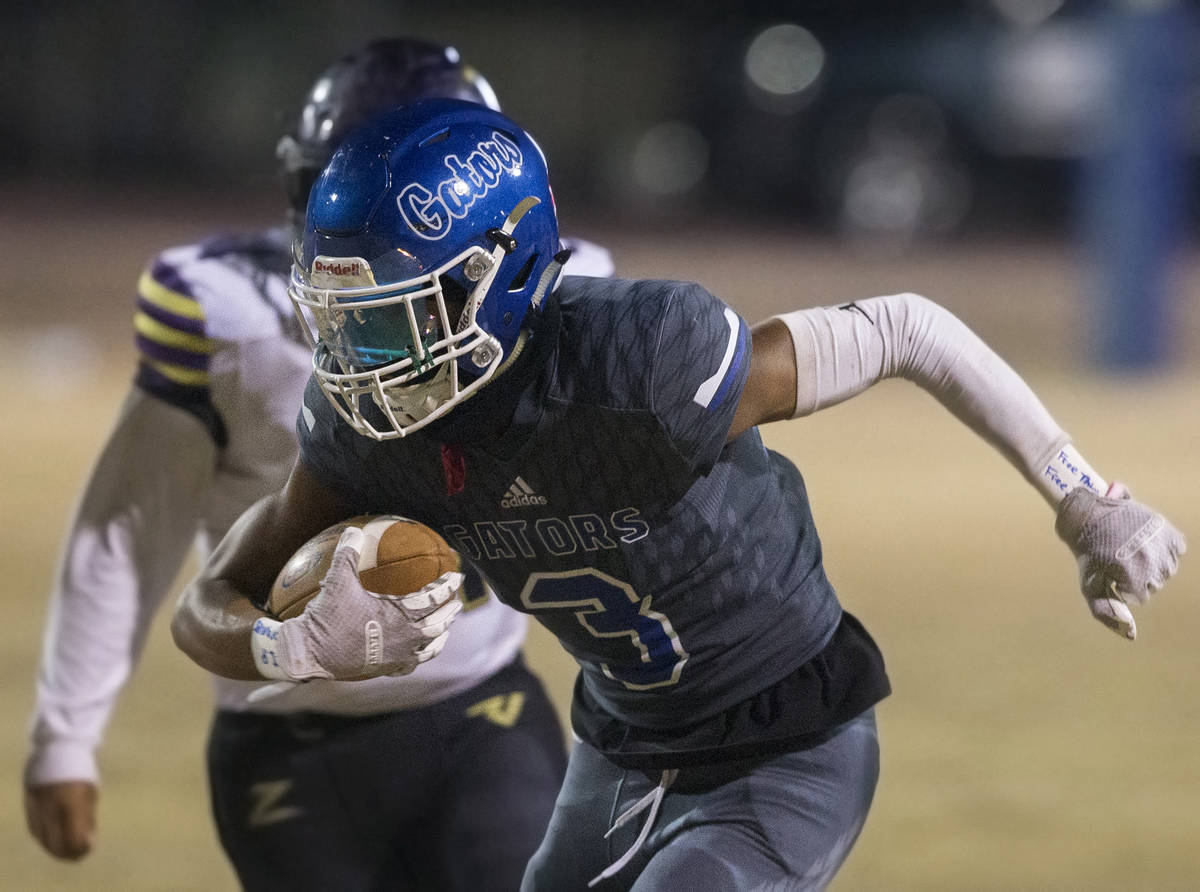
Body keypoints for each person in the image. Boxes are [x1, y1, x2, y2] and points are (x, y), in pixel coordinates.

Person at [171, 99, 1185, 891]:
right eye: (345, 326)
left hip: (788, 737)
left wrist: (1082, 495)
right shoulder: (369, 434)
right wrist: (288, 647)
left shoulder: (638, 365)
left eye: (391, 323)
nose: (358, 367)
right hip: (623, 748)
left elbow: (905, 328)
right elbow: (211, 602)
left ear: (499, 270)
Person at [25, 41, 613, 892]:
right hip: (286, 738)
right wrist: (67, 736)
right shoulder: (231, 317)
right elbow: (126, 526)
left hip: (480, 713)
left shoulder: (553, 300)